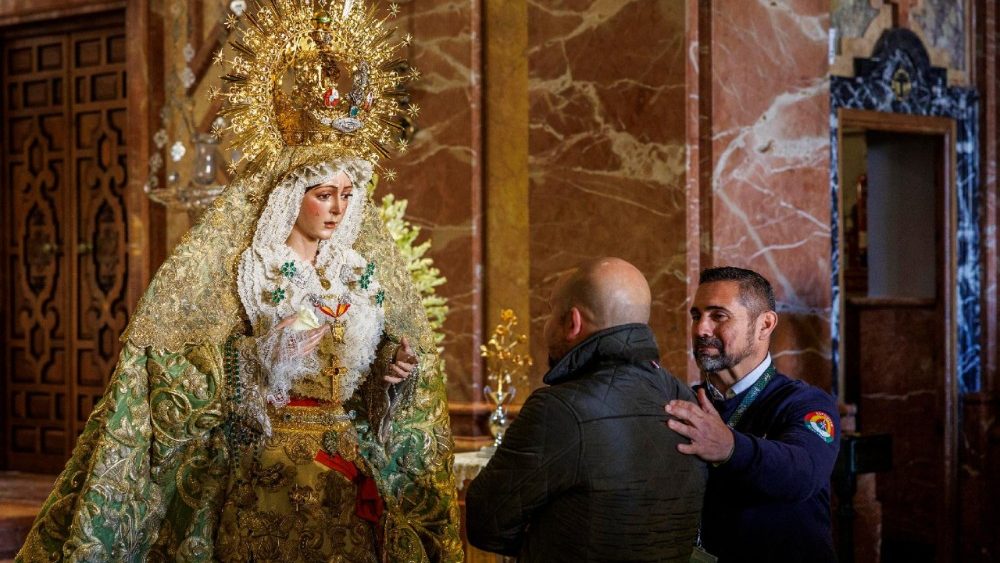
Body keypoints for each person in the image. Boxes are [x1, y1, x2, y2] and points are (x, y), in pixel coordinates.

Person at [16, 2, 462, 561]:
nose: (338, 209)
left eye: (347, 196)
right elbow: (183, 378)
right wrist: (261, 357)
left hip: (345, 469)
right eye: (324, 194)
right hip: (266, 471)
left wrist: (391, 371)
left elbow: (364, 398)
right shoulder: (248, 271)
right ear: (292, 195)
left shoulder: (356, 276)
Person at [466, 257, 706, 562]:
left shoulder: (558, 409)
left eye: (551, 311)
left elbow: (486, 523)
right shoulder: (687, 399)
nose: (546, 324)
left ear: (573, 322)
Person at [666, 266, 840, 563]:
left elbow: (803, 472)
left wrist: (729, 448)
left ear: (764, 325)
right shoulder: (685, 403)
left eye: (718, 316)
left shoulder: (805, 402)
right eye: (696, 316)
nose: (701, 329)